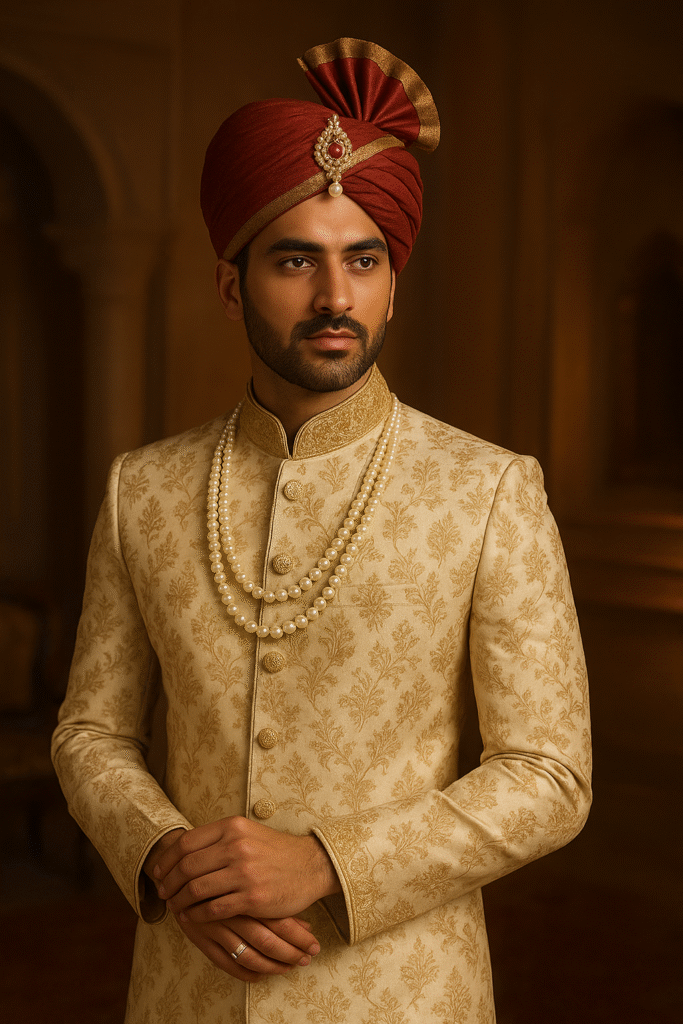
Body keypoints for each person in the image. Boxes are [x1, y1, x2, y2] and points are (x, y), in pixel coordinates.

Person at [52, 38, 591, 1024]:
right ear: (231, 287)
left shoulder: (488, 490)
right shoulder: (145, 491)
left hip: (402, 993)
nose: (334, 298)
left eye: (362, 261)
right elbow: (90, 731)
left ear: (392, 285)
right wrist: (167, 857)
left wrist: (326, 863)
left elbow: (548, 776)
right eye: (296, 259)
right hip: (186, 986)